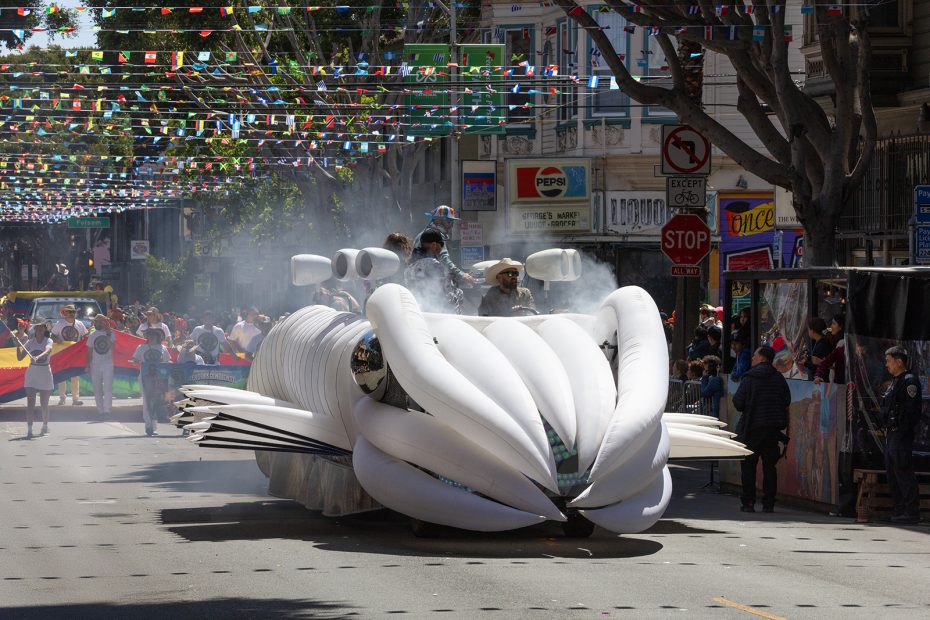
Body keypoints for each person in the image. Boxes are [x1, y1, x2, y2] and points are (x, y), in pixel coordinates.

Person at [733, 345, 791, 513]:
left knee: (748, 466)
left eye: (754, 356)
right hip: (772, 428)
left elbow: (738, 402)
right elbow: (786, 400)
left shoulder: (749, 378)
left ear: (762, 358)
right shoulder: (778, 378)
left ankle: (748, 502)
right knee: (769, 466)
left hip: (752, 427)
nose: (752, 358)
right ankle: (768, 503)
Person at [879, 346, 923, 524]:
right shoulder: (895, 382)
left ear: (899, 361)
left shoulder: (909, 381)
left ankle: (911, 512)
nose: (886, 364)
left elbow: (912, 412)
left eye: (889, 361)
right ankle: (899, 510)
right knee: (892, 473)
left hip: (901, 435)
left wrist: (902, 431)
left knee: (903, 472)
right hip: (892, 433)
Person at [413, 205, 477, 288]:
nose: (451, 226)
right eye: (449, 222)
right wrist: (461, 275)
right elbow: (444, 259)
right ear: (438, 221)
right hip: (430, 282)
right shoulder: (437, 236)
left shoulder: (421, 234)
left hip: (418, 280)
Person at [404, 229, 463, 313]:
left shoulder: (410, 265)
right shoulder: (434, 264)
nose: (441, 248)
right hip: (435, 312)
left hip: (416, 310)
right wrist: (454, 285)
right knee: (459, 293)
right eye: (441, 245)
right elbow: (446, 294)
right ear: (434, 245)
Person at [16, 321, 54, 438]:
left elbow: (48, 350)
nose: (39, 330)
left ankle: (45, 426)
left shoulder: (48, 341)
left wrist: (38, 356)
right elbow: (20, 358)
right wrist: (18, 345)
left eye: (42, 328)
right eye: (37, 328)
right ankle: (29, 429)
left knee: (44, 403)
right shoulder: (30, 342)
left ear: (45, 329)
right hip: (32, 374)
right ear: (35, 329)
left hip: (45, 373)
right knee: (30, 403)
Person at [131, 328, 171, 436]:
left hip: (159, 379)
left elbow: (167, 362)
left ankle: (154, 426)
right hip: (145, 377)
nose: (151, 336)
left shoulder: (163, 348)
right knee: (147, 401)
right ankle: (148, 425)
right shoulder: (141, 347)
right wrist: (135, 361)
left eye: (154, 334)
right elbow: (134, 360)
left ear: (158, 336)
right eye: (149, 334)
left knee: (157, 401)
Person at [51, 304, 87, 406]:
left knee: (75, 376)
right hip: (63, 354)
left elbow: (85, 337)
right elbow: (52, 335)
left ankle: (75, 399)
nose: (72, 314)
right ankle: (62, 398)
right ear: (65, 313)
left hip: (75, 354)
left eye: (73, 312)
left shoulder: (80, 324)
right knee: (62, 376)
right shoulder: (59, 324)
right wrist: (56, 340)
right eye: (70, 312)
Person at [85, 314, 116, 419]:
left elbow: (112, 347)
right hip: (95, 364)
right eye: (96, 321)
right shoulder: (92, 335)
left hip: (108, 364)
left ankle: (107, 411)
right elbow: (89, 351)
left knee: (107, 388)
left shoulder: (111, 333)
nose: (97, 323)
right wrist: (87, 365)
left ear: (104, 322)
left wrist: (108, 333)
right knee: (97, 388)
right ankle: (100, 411)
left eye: (100, 321)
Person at [813, 313, 846, 385]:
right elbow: (823, 332)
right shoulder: (834, 339)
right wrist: (829, 329)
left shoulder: (841, 343)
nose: (831, 326)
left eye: (834, 324)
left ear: (841, 327)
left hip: (839, 382)